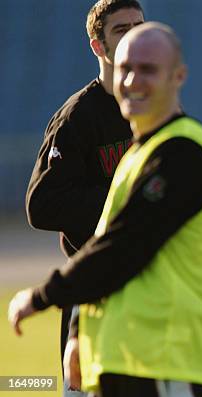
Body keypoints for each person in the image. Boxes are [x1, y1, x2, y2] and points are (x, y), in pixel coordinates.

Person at [9, 22, 202, 397]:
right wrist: (80, 333)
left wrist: (43, 296)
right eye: (126, 69)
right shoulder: (137, 156)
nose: (133, 81)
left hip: (166, 365)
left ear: (179, 77)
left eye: (148, 70)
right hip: (123, 363)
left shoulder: (184, 152)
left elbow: (124, 247)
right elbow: (105, 245)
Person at [25, 2, 143, 393]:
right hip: (93, 291)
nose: (133, 35)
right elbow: (41, 204)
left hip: (149, 289)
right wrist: (119, 198)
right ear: (98, 47)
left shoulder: (152, 107)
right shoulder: (78, 116)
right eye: (121, 29)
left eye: (139, 26)